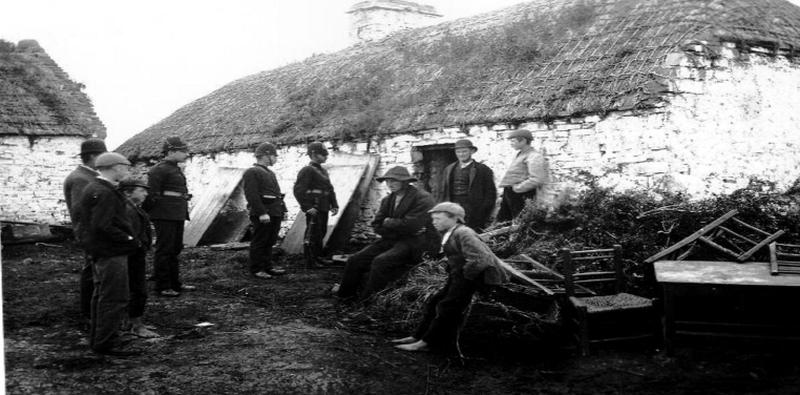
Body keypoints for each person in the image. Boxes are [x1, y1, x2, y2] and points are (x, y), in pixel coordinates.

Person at [393, 202, 509, 352]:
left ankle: (429, 343)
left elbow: (481, 260)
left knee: (447, 306)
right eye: (433, 219)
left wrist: (463, 278)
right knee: (435, 301)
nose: (434, 222)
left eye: (439, 219)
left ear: (455, 219)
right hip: (461, 273)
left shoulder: (464, 233)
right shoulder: (450, 232)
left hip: (477, 276)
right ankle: (418, 336)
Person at [335, 166, 440, 300]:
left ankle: (367, 301)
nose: (390, 184)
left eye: (394, 181)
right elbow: (376, 225)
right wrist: (396, 226)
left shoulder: (423, 198)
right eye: (387, 181)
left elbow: (412, 226)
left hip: (415, 242)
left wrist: (388, 222)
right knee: (355, 259)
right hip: (392, 238)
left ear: (406, 182)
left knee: (381, 261)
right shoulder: (388, 200)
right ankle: (344, 296)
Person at [75, 152, 141, 356]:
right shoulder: (105, 192)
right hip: (111, 252)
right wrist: (129, 239)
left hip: (101, 251)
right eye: (126, 167)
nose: (127, 171)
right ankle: (106, 343)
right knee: (115, 297)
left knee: (101, 295)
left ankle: (99, 340)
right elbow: (103, 225)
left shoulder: (95, 187)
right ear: (115, 167)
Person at [63, 138, 107, 319]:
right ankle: (88, 314)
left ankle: (92, 311)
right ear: (93, 156)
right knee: (91, 272)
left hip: (93, 232)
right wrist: (91, 236)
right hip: (91, 233)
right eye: (102, 156)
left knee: (94, 271)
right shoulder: (80, 179)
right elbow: (82, 212)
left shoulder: (88, 176)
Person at [145, 136, 194, 297]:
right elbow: (152, 194)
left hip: (176, 214)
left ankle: (175, 283)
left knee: (175, 249)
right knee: (164, 250)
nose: (186, 154)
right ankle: (163, 285)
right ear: (171, 151)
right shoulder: (158, 170)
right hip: (164, 215)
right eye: (183, 151)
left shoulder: (174, 168)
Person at [119, 178, 159, 338]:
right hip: (132, 255)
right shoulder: (128, 210)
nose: (146, 193)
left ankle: (130, 322)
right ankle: (136, 325)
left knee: (135, 289)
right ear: (128, 192)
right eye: (141, 190)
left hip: (135, 254)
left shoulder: (133, 208)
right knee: (138, 290)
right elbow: (130, 234)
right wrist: (139, 246)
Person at [242, 142, 287, 279]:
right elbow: (251, 195)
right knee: (260, 241)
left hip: (274, 211)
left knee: (270, 240)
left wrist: (282, 210)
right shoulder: (252, 172)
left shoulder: (270, 173)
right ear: (266, 155)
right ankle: (256, 269)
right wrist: (262, 213)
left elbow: (277, 194)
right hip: (263, 213)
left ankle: (268, 266)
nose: (276, 158)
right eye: (274, 155)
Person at [293, 142, 339, 268]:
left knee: (321, 233)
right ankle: (311, 261)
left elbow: (330, 189)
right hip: (315, 208)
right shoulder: (307, 170)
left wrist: (334, 204)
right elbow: (298, 190)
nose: (326, 156)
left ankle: (318, 257)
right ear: (313, 154)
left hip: (323, 207)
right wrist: (307, 207)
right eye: (323, 154)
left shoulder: (323, 171)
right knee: (313, 234)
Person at [440, 139, 496, 231]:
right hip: (453, 205)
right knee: (453, 231)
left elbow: (490, 193)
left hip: (473, 208)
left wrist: (483, 211)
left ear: (472, 151)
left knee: (472, 232)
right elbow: (443, 190)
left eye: (464, 151)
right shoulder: (449, 169)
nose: (461, 154)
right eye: (458, 152)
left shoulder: (482, 169)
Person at [496, 129, 549, 222]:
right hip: (511, 193)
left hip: (521, 195)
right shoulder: (520, 154)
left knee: (521, 223)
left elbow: (537, 179)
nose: (511, 143)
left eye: (513, 141)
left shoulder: (534, 156)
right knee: (503, 222)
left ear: (523, 140)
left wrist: (518, 188)